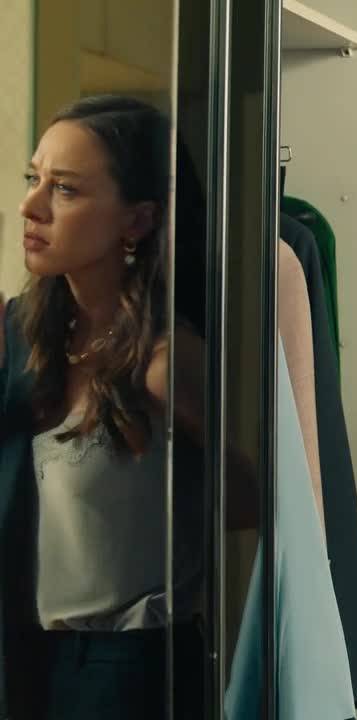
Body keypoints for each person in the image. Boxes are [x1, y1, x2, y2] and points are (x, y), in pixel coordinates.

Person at [0, 95, 224, 719]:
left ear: (138, 220)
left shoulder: (167, 361)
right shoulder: (24, 334)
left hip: (127, 667)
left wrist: (177, 465)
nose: (31, 206)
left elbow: (260, 500)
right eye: (33, 179)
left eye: (64, 189)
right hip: (28, 654)